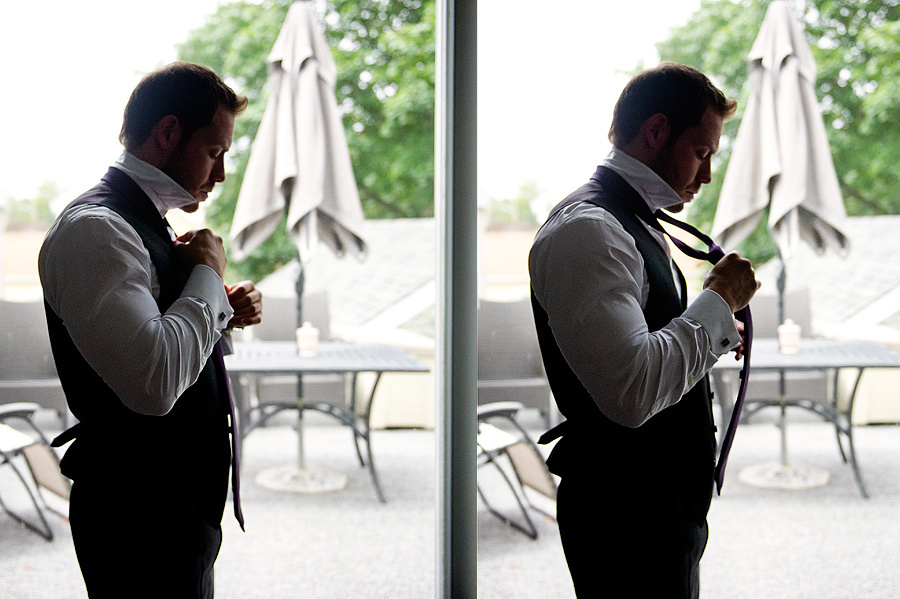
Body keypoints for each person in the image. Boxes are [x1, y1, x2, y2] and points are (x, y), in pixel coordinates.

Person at [529, 62, 760, 598]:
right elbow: (631, 391)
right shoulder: (589, 230)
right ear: (656, 131)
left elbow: (649, 349)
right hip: (626, 520)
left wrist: (707, 333)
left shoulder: (632, 223)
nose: (705, 177)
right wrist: (718, 301)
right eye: (701, 153)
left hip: (658, 513)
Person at [38, 62, 262, 599]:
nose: (222, 174)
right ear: (167, 133)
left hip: (172, 509)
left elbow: (155, 336)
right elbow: (154, 381)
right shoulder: (97, 229)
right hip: (139, 519)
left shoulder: (144, 223)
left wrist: (218, 306)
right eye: (215, 151)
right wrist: (207, 274)